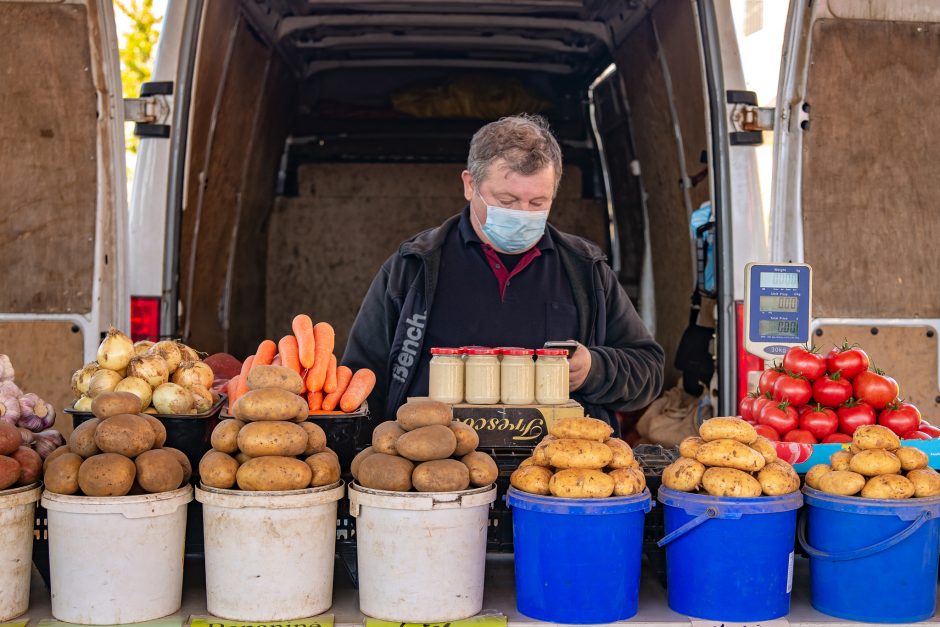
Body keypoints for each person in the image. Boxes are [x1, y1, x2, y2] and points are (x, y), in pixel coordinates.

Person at [343, 114, 664, 434]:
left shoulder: (586, 270)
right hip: (436, 469)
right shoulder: (413, 268)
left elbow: (648, 370)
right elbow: (361, 378)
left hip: (558, 472)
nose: (522, 214)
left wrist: (594, 369)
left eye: (538, 202)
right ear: (470, 185)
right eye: (506, 200)